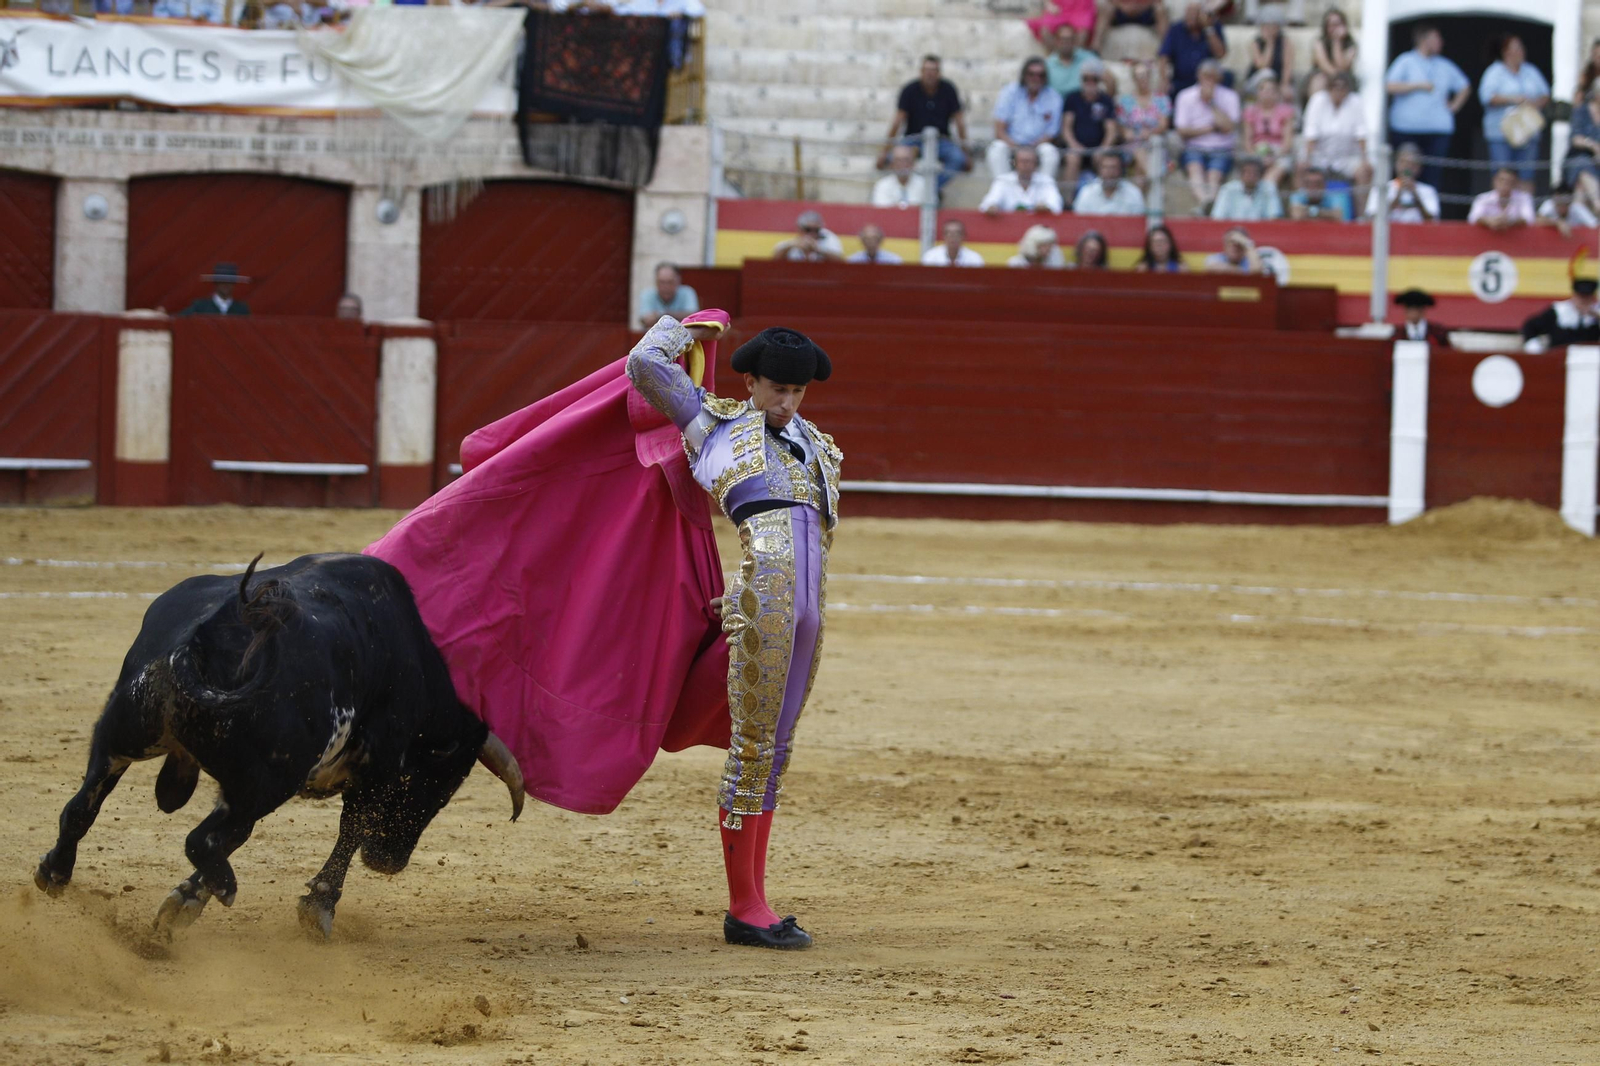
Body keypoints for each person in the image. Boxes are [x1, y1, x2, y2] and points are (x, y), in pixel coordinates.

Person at [622, 315, 841, 951]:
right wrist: (686, 329)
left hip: (809, 618)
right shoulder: (713, 426)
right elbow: (645, 367)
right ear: (750, 382)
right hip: (764, 616)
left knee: (778, 752)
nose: (788, 400)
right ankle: (746, 906)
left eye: (798, 391)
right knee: (752, 751)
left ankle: (757, 898)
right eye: (777, 388)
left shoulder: (820, 446)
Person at [1384, 24, 1471, 189]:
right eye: (1436, 39)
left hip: (1437, 130)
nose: (1441, 43)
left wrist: (1454, 106)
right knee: (1405, 172)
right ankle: (1402, 207)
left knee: (1433, 175)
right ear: (1424, 40)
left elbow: (1465, 86)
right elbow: (1390, 86)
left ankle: (1428, 211)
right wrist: (1417, 86)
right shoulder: (1406, 61)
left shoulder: (1445, 65)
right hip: (1406, 128)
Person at [880, 56, 970, 191]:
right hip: (914, 139)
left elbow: (959, 122)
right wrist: (884, 151)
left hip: (941, 141)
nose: (930, 74)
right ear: (921, 71)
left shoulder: (948, 89)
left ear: (939, 72)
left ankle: (927, 191)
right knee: (893, 158)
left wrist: (966, 153)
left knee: (958, 159)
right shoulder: (910, 90)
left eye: (933, 70)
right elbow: (897, 121)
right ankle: (918, 192)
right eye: (927, 70)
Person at [1479, 35, 1550, 185]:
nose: (1520, 51)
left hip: (1528, 132)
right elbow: (1486, 97)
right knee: (1502, 174)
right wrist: (1514, 99)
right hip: (1501, 133)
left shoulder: (1530, 71)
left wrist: (1534, 103)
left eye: (1521, 47)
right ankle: (1502, 208)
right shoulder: (1494, 72)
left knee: (1526, 175)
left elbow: (1545, 95)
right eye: (1516, 48)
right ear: (1505, 52)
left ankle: (1524, 207)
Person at [1175, 60, 1240, 213]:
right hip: (1193, 147)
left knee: (1214, 174)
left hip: (1221, 148)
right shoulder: (1185, 96)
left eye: (1212, 77)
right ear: (1199, 76)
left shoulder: (1230, 96)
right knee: (1194, 168)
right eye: (1206, 76)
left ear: (1219, 78)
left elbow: (1229, 127)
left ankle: (1206, 205)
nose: (1209, 80)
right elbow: (1182, 130)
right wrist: (1211, 128)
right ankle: (1207, 203)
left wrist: (1211, 103)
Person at [987, 57, 1064, 178]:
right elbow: (999, 129)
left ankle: (1044, 191)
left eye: (1040, 75)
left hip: (1038, 147)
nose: (1036, 78)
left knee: (1050, 153)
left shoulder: (1054, 97)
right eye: (1031, 74)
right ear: (1024, 75)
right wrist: (1017, 148)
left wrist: (1030, 150)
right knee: (996, 149)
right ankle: (1003, 189)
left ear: (1045, 77)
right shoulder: (1010, 92)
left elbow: (1051, 134)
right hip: (1012, 144)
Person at [1301, 73, 1372, 201]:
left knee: (1365, 171)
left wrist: (1365, 160)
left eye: (1343, 87)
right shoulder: (1317, 100)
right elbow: (1311, 132)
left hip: (1347, 158)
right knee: (1301, 167)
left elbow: (1361, 133)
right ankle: (1300, 209)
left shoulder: (1355, 101)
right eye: (1335, 87)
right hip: (1320, 156)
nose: (1339, 91)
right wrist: (1308, 159)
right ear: (1329, 88)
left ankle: (1362, 217)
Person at [1060, 59, 1118, 188]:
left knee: (1106, 162)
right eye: (1086, 79)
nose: (1090, 83)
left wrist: (1103, 149)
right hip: (1076, 148)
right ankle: (1068, 204)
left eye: (1094, 79)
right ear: (1082, 80)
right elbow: (1066, 128)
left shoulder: (1106, 100)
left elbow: (1111, 130)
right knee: (1072, 159)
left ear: (1099, 81)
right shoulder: (1072, 98)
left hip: (1098, 148)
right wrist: (1074, 145)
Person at [1116, 59, 1172, 183]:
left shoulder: (1161, 99)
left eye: (1145, 75)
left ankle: (1142, 195)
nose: (1143, 79)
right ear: (1134, 79)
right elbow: (1122, 126)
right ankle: (1154, 179)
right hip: (1134, 144)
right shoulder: (1125, 101)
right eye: (1139, 76)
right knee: (1137, 148)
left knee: (1139, 172)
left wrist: (1150, 133)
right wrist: (1128, 133)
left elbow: (1163, 124)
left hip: (1154, 142)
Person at [1159, 1, 1227, 100]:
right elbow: (1163, 57)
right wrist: (1164, 80)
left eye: (1194, 13)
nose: (1190, 17)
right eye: (1188, 13)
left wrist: (1208, 28)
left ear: (1202, 15)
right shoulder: (1176, 29)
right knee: (1170, 90)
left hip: (1209, 79)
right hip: (1182, 80)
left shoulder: (1213, 27)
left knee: (1228, 77)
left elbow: (1220, 54)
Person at [1364, 143, 1439, 223]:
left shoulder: (1428, 190)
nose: (1407, 167)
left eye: (1412, 164)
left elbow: (1432, 221)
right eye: (1403, 162)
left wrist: (1416, 196)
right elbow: (1371, 220)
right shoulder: (1382, 188)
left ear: (1419, 167)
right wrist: (1396, 199)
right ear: (1396, 164)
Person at [979, 145, 1065, 215]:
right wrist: (992, 207)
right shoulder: (1002, 180)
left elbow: (1056, 206)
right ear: (1015, 163)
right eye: (1022, 161)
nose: (1025, 165)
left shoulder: (1046, 181)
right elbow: (988, 204)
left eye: (1029, 161)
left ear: (1036, 164)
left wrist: (1046, 208)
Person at [1242, 73, 1294, 187]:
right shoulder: (1250, 112)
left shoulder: (1286, 112)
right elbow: (1247, 142)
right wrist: (1257, 157)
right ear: (1258, 93)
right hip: (1256, 152)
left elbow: (1287, 143)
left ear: (1277, 94)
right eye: (1263, 90)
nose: (1267, 94)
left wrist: (1273, 157)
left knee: (1270, 180)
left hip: (1279, 152)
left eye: (1271, 90)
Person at [1522, 278, 1600, 352]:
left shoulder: (1597, 311)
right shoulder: (1559, 310)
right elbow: (1530, 327)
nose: (1584, 301)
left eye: (1587, 297)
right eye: (1581, 297)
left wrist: (1596, 316)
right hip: (1559, 356)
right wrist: (1535, 349)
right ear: (1574, 296)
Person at [1073, 150, 1146, 215]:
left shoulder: (1133, 193)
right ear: (1099, 170)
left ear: (1121, 170)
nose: (1110, 172)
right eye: (1105, 167)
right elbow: (1080, 222)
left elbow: (1138, 224)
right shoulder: (1086, 192)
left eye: (1113, 167)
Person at [1211, 156, 1282, 220]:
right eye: (1248, 172)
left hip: (1262, 231)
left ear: (1260, 174)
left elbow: (1274, 216)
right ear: (1241, 174)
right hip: (1233, 231)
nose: (1251, 176)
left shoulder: (1269, 189)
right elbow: (1218, 216)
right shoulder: (1227, 189)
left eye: (1255, 172)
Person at [1307, 6, 1356, 100]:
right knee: (1319, 81)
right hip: (1323, 75)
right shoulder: (1319, 42)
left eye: (1337, 24)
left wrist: (1337, 42)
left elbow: (1343, 67)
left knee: (1341, 85)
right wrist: (1336, 80)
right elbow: (1324, 65)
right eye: (1331, 25)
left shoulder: (1351, 45)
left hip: (1345, 78)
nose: (1334, 28)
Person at [1093, 0, 1168, 62]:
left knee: (1160, 9)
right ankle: (1095, 47)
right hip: (1122, 11)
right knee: (1106, 8)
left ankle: (1167, 48)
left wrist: (1138, 7)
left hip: (1144, 12)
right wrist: (1123, 6)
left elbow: (1158, 1)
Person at [1564, 87, 1600, 207]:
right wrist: (1593, 146)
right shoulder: (1581, 111)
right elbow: (1575, 138)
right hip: (1580, 156)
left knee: (1580, 188)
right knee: (1583, 165)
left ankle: (1585, 218)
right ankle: (1597, 204)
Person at [1467, 167, 1534, 231]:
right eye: (1501, 180)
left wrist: (1510, 221)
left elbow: (1529, 219)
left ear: (1515, 183)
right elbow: (1472, 218)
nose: (1504, 184)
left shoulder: (1524, 198)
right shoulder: (1483, 198)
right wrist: (1488, 221)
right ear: (1494, 181)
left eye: (1509, 182)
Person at [637, 262, 700, 329]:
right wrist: (678, 316)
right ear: (656, 282)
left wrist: (660, 315)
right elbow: (645, 320)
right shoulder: (647, 294)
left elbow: (693, 317)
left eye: (670, 282)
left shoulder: (687, 292)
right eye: (662, 282)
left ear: (678, 281)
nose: (666, 287)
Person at [1045, 24, 1100, 98]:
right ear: (1056, 41)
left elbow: (1108, 78)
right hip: (1057, 105)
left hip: (1081, 104)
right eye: (1062, 39)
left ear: (1075, 41)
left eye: (1069, 39)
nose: (1066, 43)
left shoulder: (1088, 58)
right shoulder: (1048, 64)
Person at [1247, 5, 1292, 95]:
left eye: (1273, 25)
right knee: (1267, 73)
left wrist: (1284, 84)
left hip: (1277, 81)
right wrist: (1270, 43)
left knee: (1290, 91)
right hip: (1257, 81)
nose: (1270, 29)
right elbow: (1262, 66)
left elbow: (1288, 66)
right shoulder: (1255, 43)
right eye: (1267, 25)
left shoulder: (1285, 42)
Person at [178, 262, 251, 316]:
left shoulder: (241, 309)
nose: (225, 285)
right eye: (222, 281)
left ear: (234, 284)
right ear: (216, 282)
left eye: (229, 281)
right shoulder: (200, 306)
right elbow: (178, 320)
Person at [870, 144, 929, 209]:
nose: (902, 164)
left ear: (913, 163)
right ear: (892, 164)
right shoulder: (882, 185)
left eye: (906, 160)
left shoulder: (924, 184)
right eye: (898, 160)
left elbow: (930, 209)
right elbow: (881, 211)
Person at [772, 211, 844, 262]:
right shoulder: (795, 242)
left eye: (816, 230)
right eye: (808, 230)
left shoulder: (828, 239)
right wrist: (791, 246)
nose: (812, 233)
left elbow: (839, 261)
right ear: (799, 229)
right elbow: (775, 259)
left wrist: (818, 250)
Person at [1288, 168, 1353, 222]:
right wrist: (1328, 215)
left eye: (1317, 184)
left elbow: (1340, 217)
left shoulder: (1337, 196)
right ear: (1304, 185)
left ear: (1324, 185)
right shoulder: (1297, 196)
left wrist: (1310, 212)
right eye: (1309, 184)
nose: (1313, 187)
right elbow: (1296, 215)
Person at [921, 220, 986, 267]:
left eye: (957, 234)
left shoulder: (975, 258)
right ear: (943, 236)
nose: (953, 237)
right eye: (949, 234)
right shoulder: (931, 257)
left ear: (963, 236)